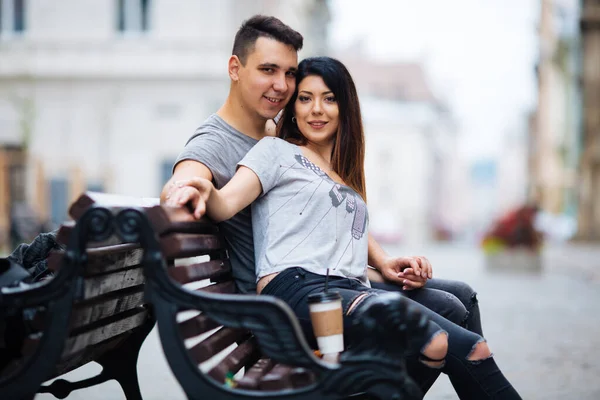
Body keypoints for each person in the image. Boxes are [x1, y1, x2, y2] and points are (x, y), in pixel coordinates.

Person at [161, 15, 486, 395]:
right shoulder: (215, 140)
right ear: (235, 68)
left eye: (288, 73)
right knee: (446, 315)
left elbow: (321, 208)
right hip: (282, 310)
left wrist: (380, 261)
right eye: (268, 70)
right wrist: (185, 189)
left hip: (319, 283)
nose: (281, 85)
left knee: (461, 297)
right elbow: (184, 180)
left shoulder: (276, 131)